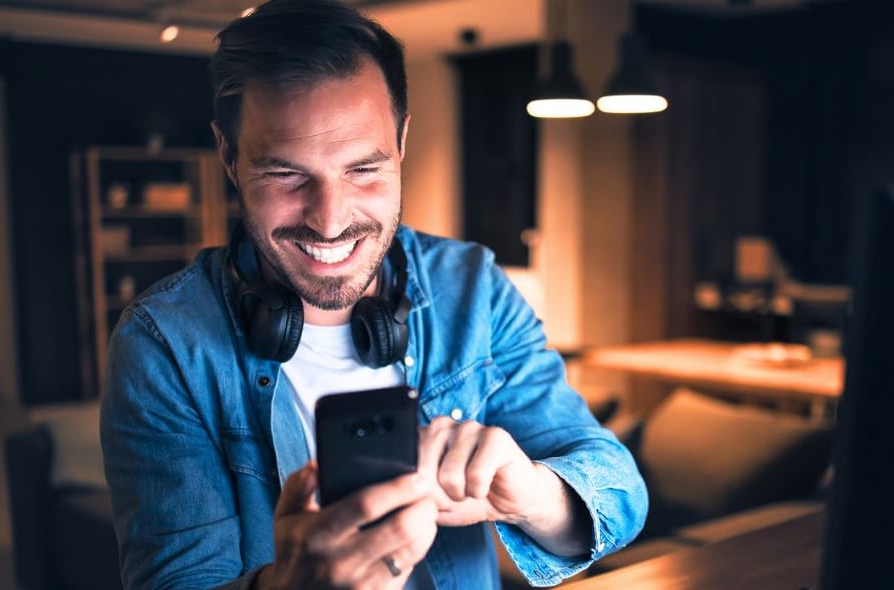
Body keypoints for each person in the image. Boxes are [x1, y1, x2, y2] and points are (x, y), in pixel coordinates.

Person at [99, 0, 648, 588]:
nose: (330, 222)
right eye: (286, 174)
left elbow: (620, 494)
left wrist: (532, 494)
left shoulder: (473, 288)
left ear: (403, 141)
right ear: (230, 157)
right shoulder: (163, 343)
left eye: (364, 170)